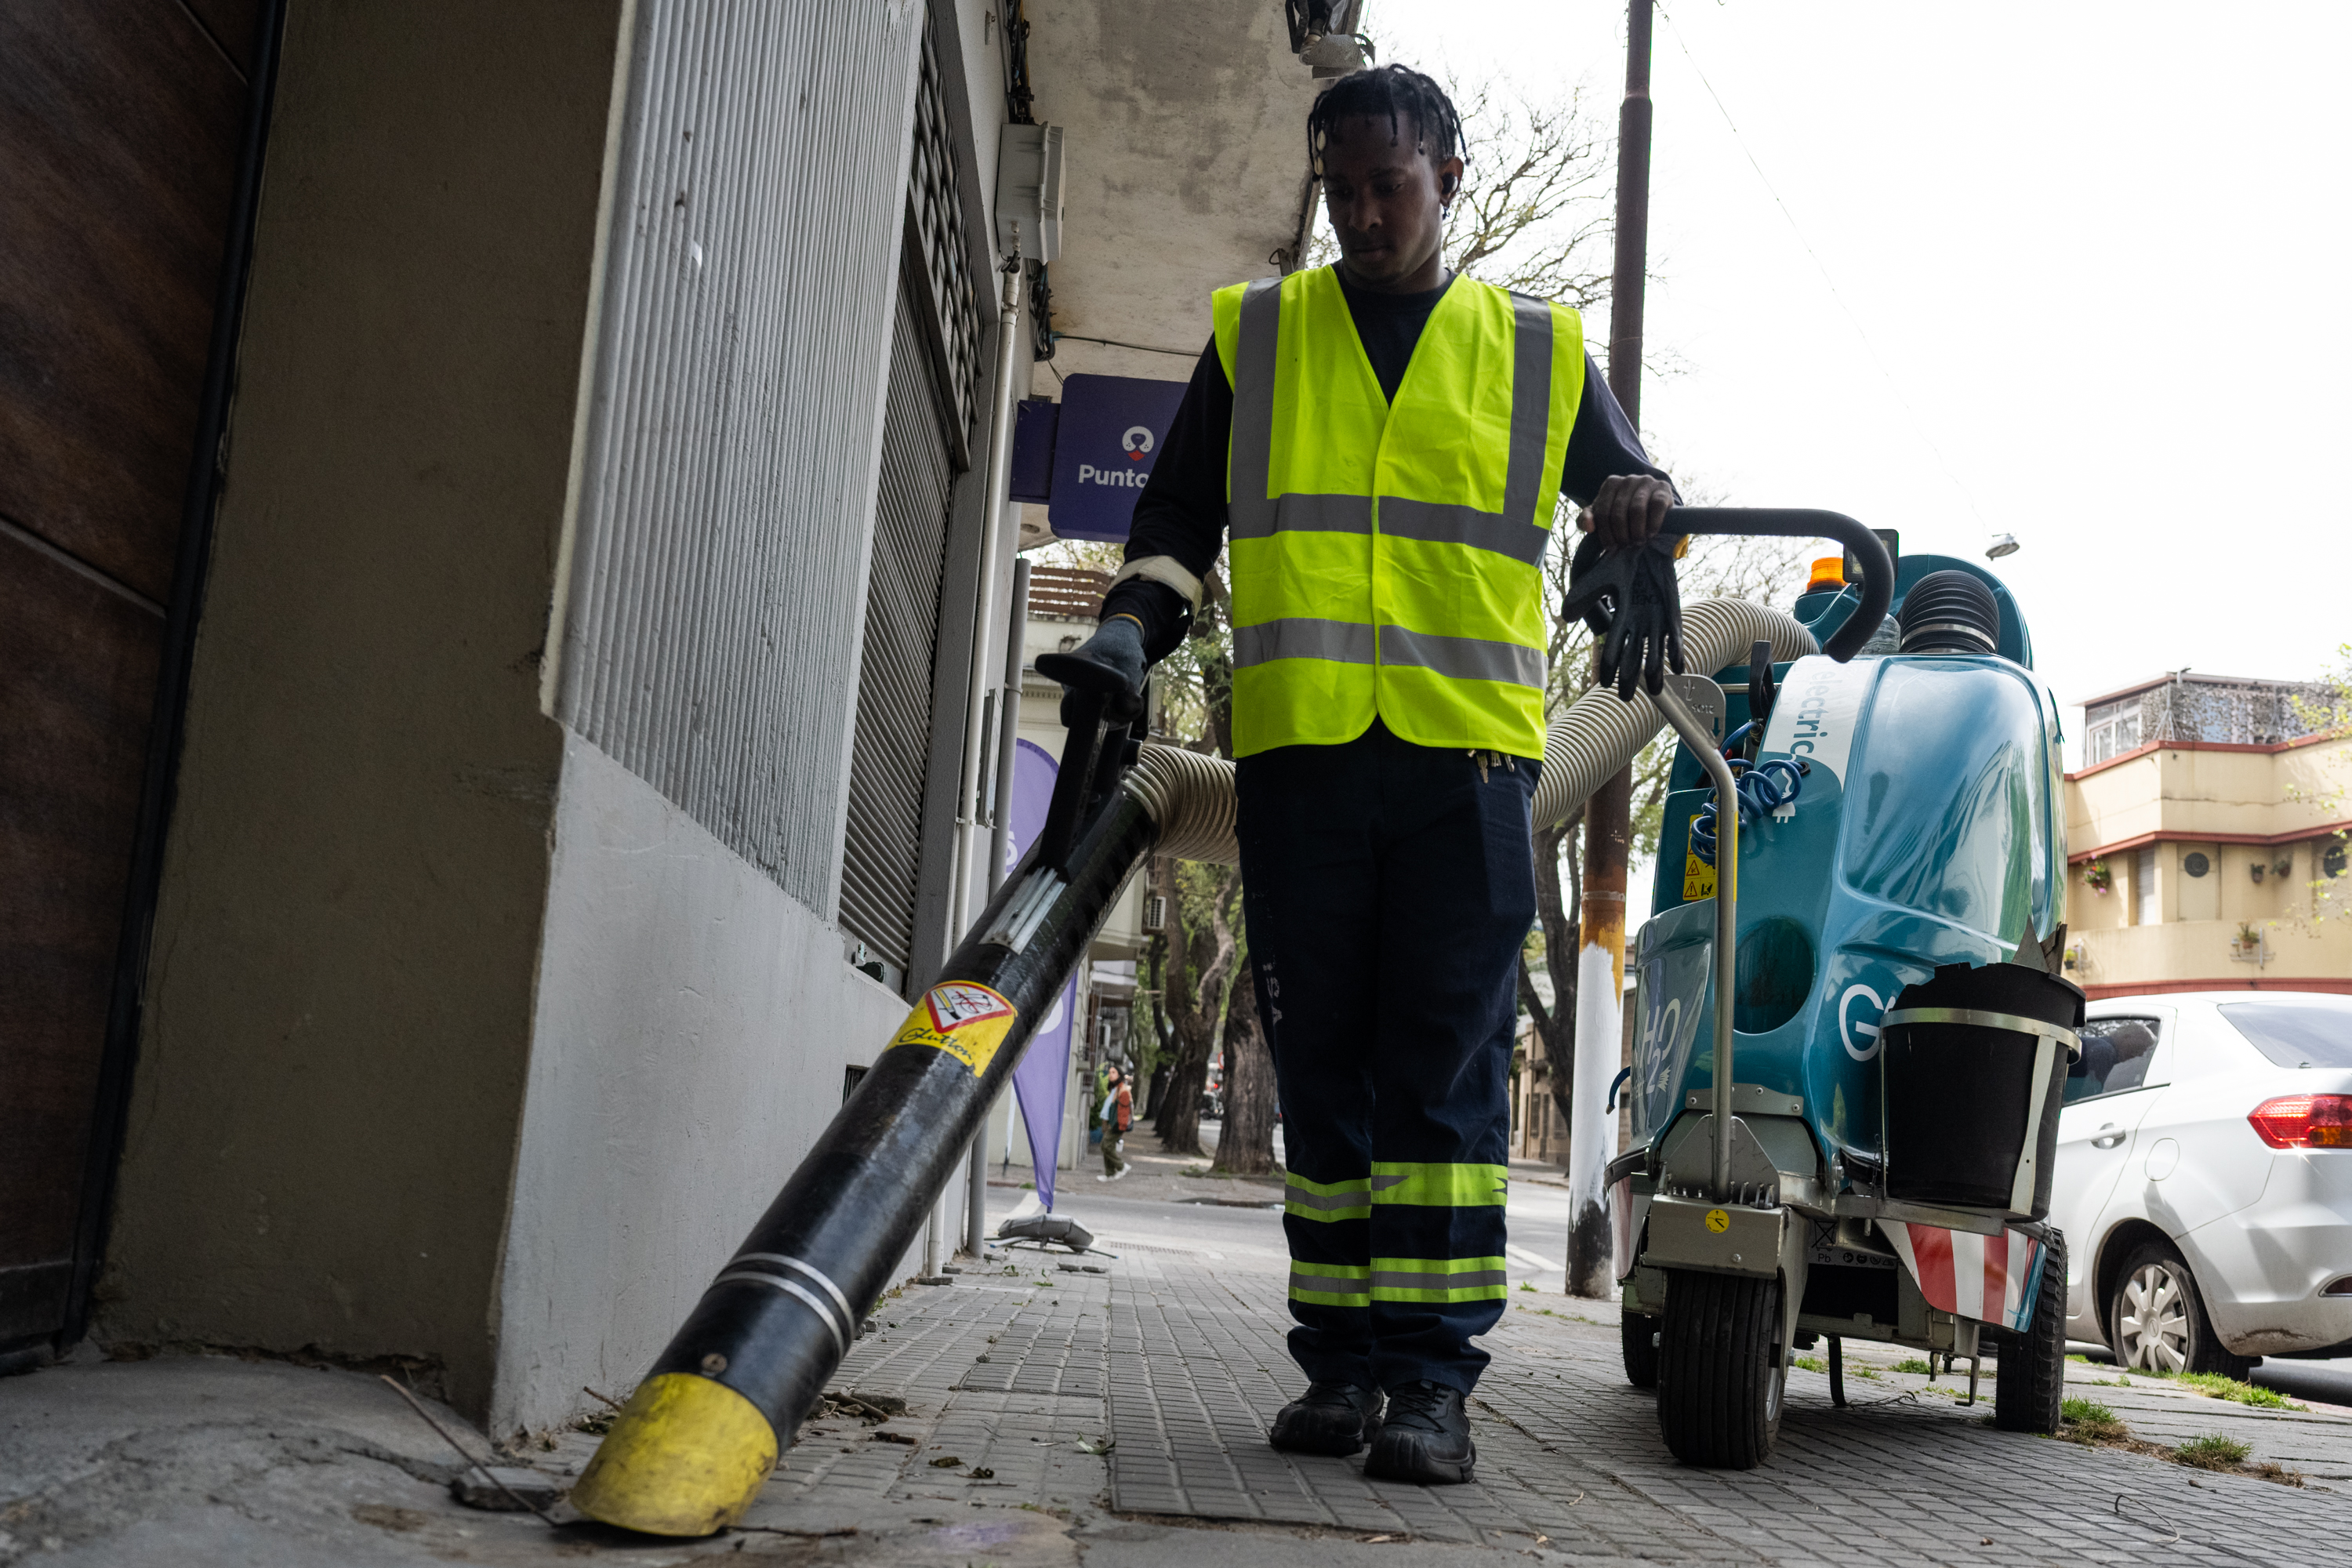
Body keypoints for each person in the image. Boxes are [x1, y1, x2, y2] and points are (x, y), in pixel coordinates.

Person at [1040, 64, 1672, 1485]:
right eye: (1342, 191)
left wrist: (1640, 510)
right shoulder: (1260, 337)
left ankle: (1433, 1386)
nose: (1365, 214)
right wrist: (1129, 640)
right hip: (1308, 761)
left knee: (1442, 1083)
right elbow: (1177, 517)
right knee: (1322, 1072)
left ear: (1449, 171)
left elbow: (1635, 496)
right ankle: (1339, 1369)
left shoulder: (1537, 349)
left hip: (1468, 773)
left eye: (1390, 185)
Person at [1098, 1066, 1133, 1181]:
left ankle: (1122, 1166)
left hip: (1116, 1124)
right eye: (1109, 1073)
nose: (1110, 1075)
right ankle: (1110, 1173)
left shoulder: (1123, 1089)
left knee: (1105, 1145)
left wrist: (1121, 1125)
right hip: (1109, 1122)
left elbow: (1125, 1109)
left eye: (1113, 1072)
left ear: (1119, 1075)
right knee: (1108, 1147)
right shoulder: (1115, 1088)